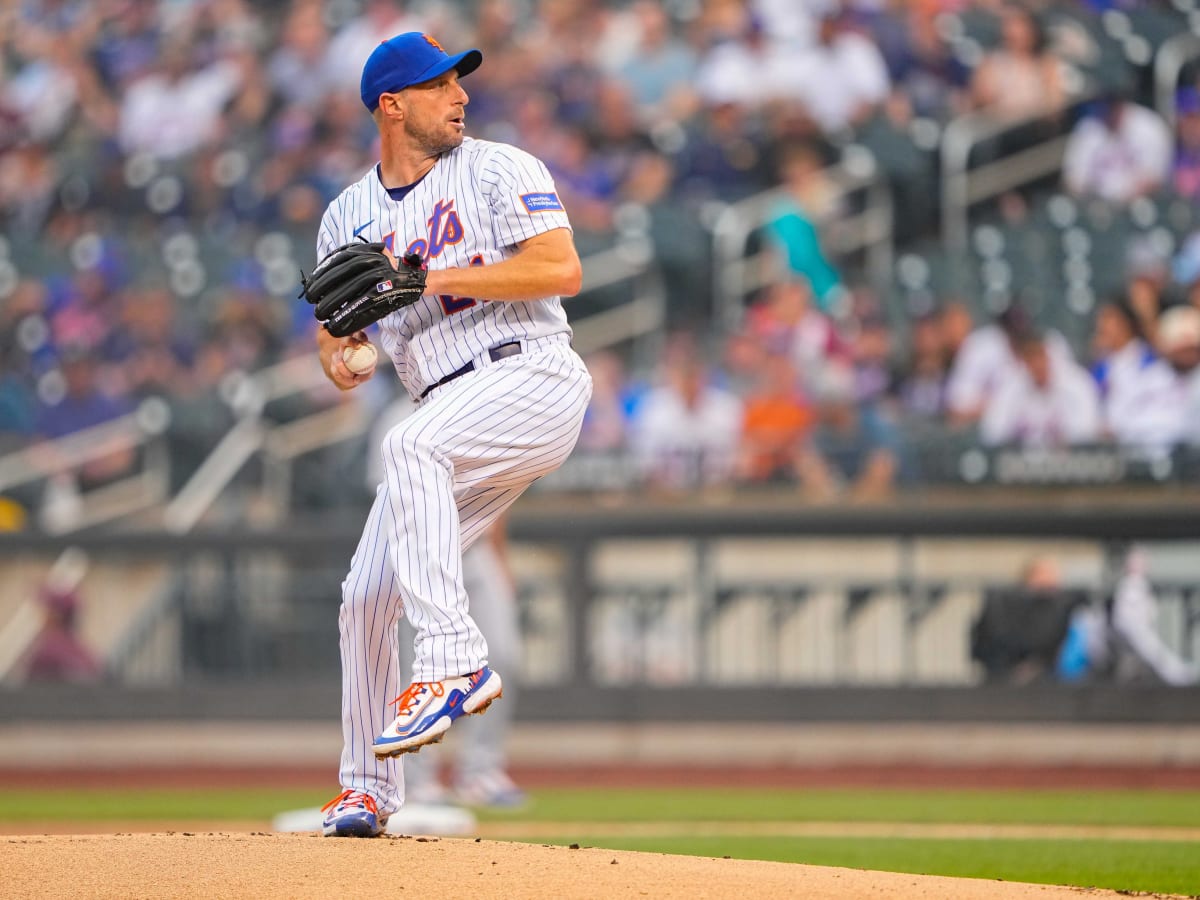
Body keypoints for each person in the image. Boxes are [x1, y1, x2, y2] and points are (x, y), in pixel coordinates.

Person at [314, 32, 593, 838]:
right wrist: (345, 356)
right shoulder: (347, 215)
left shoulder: (500, 168)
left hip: (530, 374)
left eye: (458, 83)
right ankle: (368, 787)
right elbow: (334, 331)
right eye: (438, 86)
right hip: (445, 403)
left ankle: (451, 660)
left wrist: (426, 277)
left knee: (407, 444)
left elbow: (560, 270)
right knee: (366, 596)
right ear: (391, 106)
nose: (460, 96)